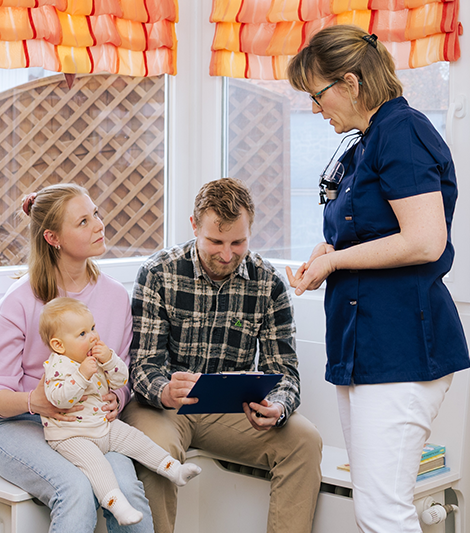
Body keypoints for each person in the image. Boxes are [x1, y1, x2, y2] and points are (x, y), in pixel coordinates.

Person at [284, 25, 470, 533]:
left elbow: (425, 240)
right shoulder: (365, 141)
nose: (317, 109)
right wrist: (327, 252)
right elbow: (368, 230)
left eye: (318, 95)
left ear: (350, 82)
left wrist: (336, 263)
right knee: (374, 504)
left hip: (401, 345)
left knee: (382, 511)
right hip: (365, 344)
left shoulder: (403, 132)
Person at [122, 177, 323, 533]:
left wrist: (278, 407)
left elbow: (285, 372)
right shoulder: (158, 273)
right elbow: (143, 365)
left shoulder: (268, 283)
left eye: (238, 242)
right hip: (165, 408)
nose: (227, 254)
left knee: (304, 442)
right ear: (194, 227)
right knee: (156, 450)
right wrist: (164, 390)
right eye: (215, 241)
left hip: (231, 413)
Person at [0, 183, 155, 533]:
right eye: (84, 221)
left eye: (97, 215)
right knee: (74, 489)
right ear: (53, 238)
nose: (99, 225)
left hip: (87, 426)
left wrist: (115, 399)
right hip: (20, 427)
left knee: (128, 491)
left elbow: (121, 370)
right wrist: (36, 401)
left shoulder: (116, 297)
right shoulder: (19, 301)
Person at [38, 297, 201, 526]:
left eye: (93, 328)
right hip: (71, 436)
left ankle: (173, 469)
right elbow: (60, 398)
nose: (93, 336)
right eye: (82, 334)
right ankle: (117, 504)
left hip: (103, 426)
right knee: (97, 466)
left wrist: (110, 360)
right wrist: (82, 375)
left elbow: (121, 379)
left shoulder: (95, 358)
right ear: (59, 345)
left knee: (137, 439)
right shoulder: (57, 366)